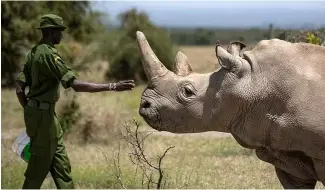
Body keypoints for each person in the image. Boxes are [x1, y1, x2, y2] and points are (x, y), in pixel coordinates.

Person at [15, 14, 135, 189]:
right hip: (44, 118)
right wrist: (112, 86)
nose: (62, 36)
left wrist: (30, 109)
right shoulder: (49, 55)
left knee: (61, 166)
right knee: (38, 169)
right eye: (59, 31)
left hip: (45, 116)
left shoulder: (32, 53)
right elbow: (75, 85)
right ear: (51, 32)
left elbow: (19, 88)